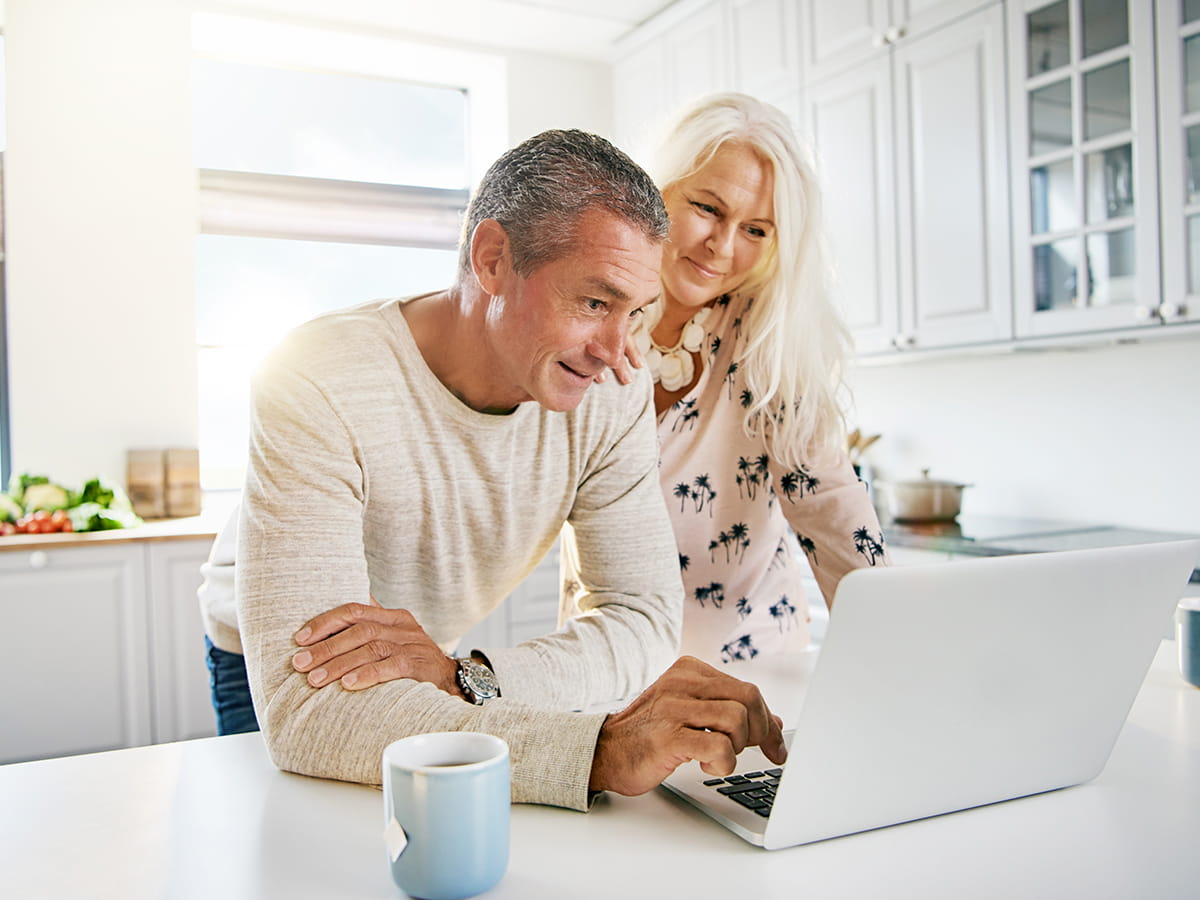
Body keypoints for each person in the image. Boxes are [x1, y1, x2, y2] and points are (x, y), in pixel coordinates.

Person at [202, 129, 785, 811]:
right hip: (272, 659)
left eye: (635, 312)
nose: (617, 351)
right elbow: (314, 715)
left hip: (433, 658)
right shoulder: (318, 375)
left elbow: (644, 621)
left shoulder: (612, 391)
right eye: (595, 303)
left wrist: (465, 678)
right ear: (492, 259)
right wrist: (600, 752)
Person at [618, 93, 890, 665]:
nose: (722, 247)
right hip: (613, 662)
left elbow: (829, 501)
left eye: (756, 230)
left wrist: (898, 645)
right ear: (657, 189)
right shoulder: (596, 322)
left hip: (755, 665)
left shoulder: (767, 335)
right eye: (707, 208)